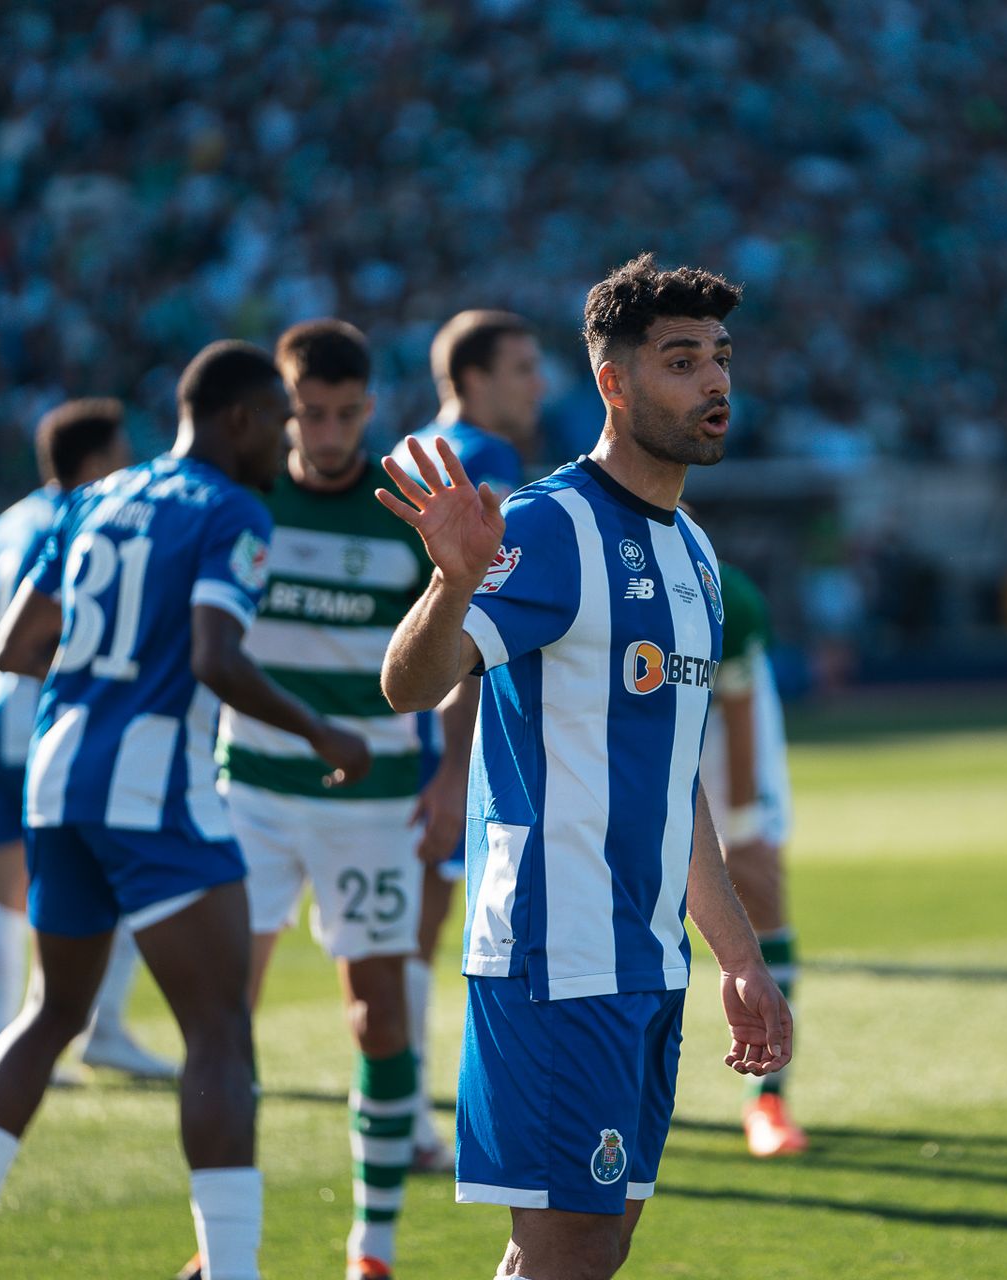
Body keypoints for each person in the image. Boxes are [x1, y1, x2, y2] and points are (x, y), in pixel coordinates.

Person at [0, 342, 371, 1280]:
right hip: (153, 788)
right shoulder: (232, 507)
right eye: (278, 422)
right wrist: (325, 733)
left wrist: (103, 678)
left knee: (50, 1015)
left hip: (57, 779)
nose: (285, 440)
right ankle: (233, 1270)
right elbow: (214, 657)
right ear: (240, 419)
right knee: (217, 1031)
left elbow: (12, 643)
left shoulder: (97, 495)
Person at [376, 254, 792, 1280]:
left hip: (648, 961)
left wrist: (739, 952)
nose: (714, 384)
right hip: (553, 959)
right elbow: (407, 681)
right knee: (568, 1252)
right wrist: (451, 584)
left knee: (590, 1250)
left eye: (721, 358)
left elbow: (670, 781)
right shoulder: (553, 526)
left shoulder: (695, 552)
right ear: (613, 381)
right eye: (683, 360)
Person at [209, 319, 434, 1280]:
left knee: (379, 1017)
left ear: (370, 408)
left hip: (376, 800)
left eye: (346, 414)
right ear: (280, 406)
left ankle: (372, 1248)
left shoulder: (405, 508)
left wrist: (455, 773)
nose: (328, 432)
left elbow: (460, 654)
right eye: (310, 412)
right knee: (223, 1014)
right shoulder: (243, 494)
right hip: (252, 791)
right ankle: (222, 1237)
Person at [0, 398, 173, 1078]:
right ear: (99, 460)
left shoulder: (6, 520)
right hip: (50, 719)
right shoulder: (86, 519)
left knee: (2, 890)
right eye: (122, 450)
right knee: (128, 864)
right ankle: (96, 1027)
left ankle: (4, 1041)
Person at [401, 308, 545, 1170]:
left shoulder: (414, 447)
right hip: (431, 728)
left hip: (382, 709)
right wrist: (455, 769)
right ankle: (409, 1110)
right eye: (523, 368)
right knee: (424, 925)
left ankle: (400, 1099)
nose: (538, 384)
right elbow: (473, 628)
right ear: (475, 378)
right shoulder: (483, 464)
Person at [698, 559, 808, 1158]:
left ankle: (768, 1096)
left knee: (756, 880)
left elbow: (737, 709)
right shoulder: (587, 568)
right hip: (632, 722)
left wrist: (739, 832)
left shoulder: (727, 596)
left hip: (717, 722)